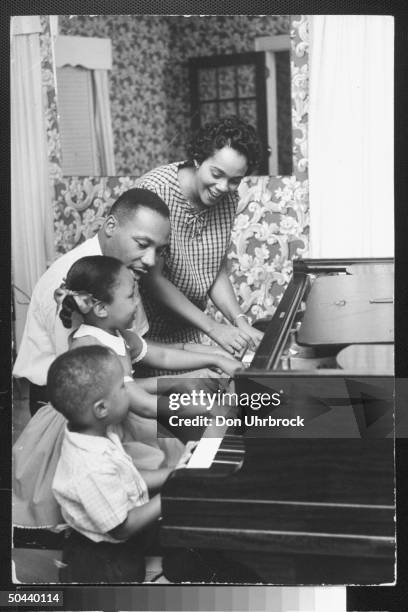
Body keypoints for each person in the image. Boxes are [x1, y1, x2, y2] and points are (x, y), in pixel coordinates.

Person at [13, 255, 240, 529]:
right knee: (128, 474)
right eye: (132, 295)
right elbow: (141, 404)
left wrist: (214, 358)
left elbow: (166, 357)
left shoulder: (117, 333)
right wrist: (207, 407)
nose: (138, 303)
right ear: (99, 308)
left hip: (116, 413)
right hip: (99, 425)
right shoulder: (89, 346)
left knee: (168, 458)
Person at [13, 188, 169, 416]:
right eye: (143, 244)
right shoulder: (71, 282)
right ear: (111, 226)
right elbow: (91, 382)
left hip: (113, 393)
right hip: (71, 407)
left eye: (159, 249)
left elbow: (133, 344)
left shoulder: (121, 270)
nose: (150, 260)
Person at [136, 115, 264, 359]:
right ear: (198, 158)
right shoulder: (155, 190)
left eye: (234, 180)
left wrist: (240, 322)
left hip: (188, 331)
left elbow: (215, 270)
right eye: (216, 173)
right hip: (145, 335)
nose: (222, 187)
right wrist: (214, 328)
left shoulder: (228, 199)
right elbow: (152, 279)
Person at [47, 345, 171, 583]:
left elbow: (128, 478)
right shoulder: (90, 466)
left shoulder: (95, 433)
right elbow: (122, 526)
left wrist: (176, 474)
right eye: (123, 387)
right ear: (101, 408)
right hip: (103, 563)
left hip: (118, 545)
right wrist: (175, 493)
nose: (129, 390)